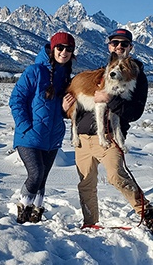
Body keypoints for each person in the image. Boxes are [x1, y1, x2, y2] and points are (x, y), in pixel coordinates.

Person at [74, 28, 153, 232]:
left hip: (110, 137)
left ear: (130, 47)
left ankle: (147, 213)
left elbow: (134, 112)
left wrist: (111, 100)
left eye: (123, 44)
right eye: (115, 43)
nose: (119, 47)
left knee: (116, 176)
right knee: (86, 183)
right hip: (83, 137)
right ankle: (90, 223)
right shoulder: (104, 71)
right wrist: (66, 108)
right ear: (109, 46)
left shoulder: (138, 78)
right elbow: (83, 100)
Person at [9, 32, 76, 224]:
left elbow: (60, 110)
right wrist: (25, 127)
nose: (64, 52)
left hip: (52, 138)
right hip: (29, 136)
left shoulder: (66, 78)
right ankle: (24, 210)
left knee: (42, 178)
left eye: (69, 49)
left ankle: (36, 214)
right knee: (36, 174)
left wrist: (64, 110)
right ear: (52, 48)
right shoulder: (34, 71)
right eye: (60, 48)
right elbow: (16, 100)